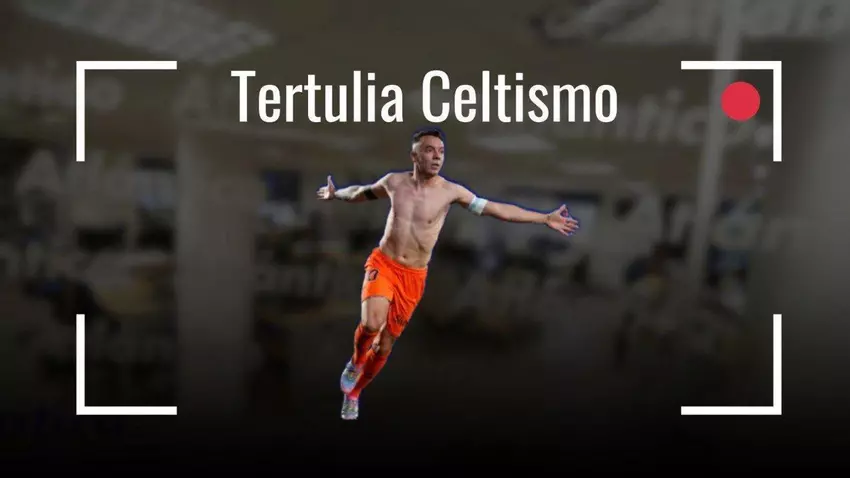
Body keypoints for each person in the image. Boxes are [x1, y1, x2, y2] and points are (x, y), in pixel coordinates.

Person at [316, 127, 579, 420]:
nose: (437, 157)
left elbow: (496, 209)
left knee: (386, 343)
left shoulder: (451, 192)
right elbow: (360, 193)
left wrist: (543, 218)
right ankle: (355, 362)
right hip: (385, 264)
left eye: (441, 152)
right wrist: (335, 194)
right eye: (429, 150)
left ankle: (354, 393)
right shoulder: (394, 182)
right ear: (414, 155)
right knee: (371, 323)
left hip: (413, 275)